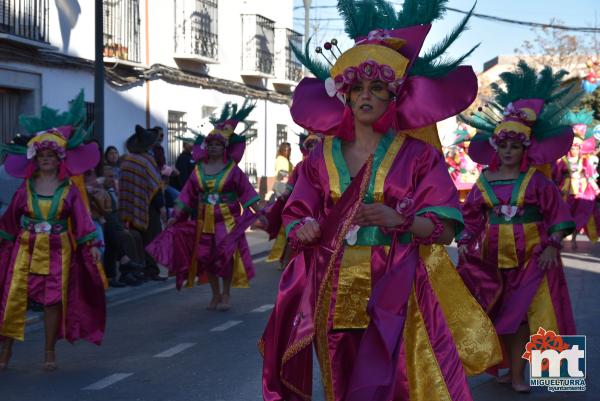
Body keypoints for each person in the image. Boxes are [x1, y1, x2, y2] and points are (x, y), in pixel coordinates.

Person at [260, 2, 502, 400]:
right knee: (339, 377)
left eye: (378, 88)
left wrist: (399, 220)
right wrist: (303, 227)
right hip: (332, 285)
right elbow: (298, 213)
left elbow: (442, 228)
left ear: (394, 96)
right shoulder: (319, 157)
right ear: (346, 95)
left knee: (398, 380)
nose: (366, 96)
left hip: (397, 283)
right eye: (358, 88)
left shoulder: (419, 156)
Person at [457, 61, 579, 393]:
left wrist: (553, 245)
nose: (509, 150)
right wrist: (465, 241)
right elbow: (470, 218)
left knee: (525, 316)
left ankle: (519, 374)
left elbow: (558, 216)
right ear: (495, 147)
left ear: (525, 148)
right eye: (504, 145)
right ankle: (502, 366)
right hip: (492, 262)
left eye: (515, 145)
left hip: (533, 259)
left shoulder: (537, 183)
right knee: (497, 313)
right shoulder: (484, 180)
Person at [0, 91, 106, 371]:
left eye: (51, 155)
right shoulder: (25, 189)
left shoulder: (69, 191)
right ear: (35, 159)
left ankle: (49, 352)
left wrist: (92, 245)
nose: (46, 159)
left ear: (60, 159)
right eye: (42, 155)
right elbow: (10, 220)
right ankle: (5, 352)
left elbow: (83, 222)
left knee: (52, 302)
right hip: (25, 249)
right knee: (14, 298)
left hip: (59, 250)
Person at [147, 100, 262, 311]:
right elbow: (187, 196)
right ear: (206, 147)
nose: (214, 147)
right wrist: (176, 215)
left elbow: (246, 192)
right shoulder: (198, 170)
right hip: (203, 222)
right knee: (207, 259)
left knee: (225, 258)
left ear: (224, 147)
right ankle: (215, 294)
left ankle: (226, 294)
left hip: (227, 222)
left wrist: (259, 211)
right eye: (210, 144)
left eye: (218, 144)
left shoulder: (232, 170)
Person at [119, 125, 167, 281]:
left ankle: (140, 268)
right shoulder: (147, 161)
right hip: (149, 206)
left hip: (131, 206)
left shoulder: (127, 161)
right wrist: (161, 207)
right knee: (152, 237)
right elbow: (154, 186)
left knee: (138, 238)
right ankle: (151, 270)